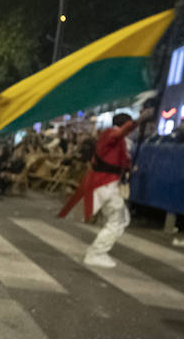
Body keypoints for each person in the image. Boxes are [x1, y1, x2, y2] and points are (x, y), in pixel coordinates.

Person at [57, 108, 153, 267]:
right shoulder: (111, 134)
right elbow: (119, 135)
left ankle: (98, 251)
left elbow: (118, 159)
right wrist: (139, 120)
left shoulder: (116, 140)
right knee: (118, 220)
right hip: (104, 183)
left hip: (107, 183)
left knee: (120, 219)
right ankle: (97, 252)